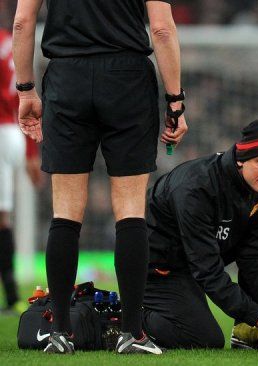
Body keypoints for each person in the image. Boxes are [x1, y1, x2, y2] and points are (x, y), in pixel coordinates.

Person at [12, 0, 187, 354]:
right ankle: (132, 334)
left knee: (65, 212)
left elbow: (21, 22)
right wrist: (175, 100)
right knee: (130, 209)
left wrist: (26, 89)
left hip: (66, 78)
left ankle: (59, 332)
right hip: (127, 80)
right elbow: (162, 28)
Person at [143, 120, 258, 349]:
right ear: (241, 159)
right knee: (205, 340)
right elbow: (207, 270)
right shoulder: (196, 188)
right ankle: (126, 318)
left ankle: (246, 332)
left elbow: (257, 262)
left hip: (193, 260)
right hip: (159, 269)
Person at [0, 16, 42, 315]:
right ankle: (11, 293)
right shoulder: (6, 41)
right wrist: (29, 151)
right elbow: (19, 98)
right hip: (12, 133)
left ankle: (12, 294)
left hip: (2, 132)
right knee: (2, 216)